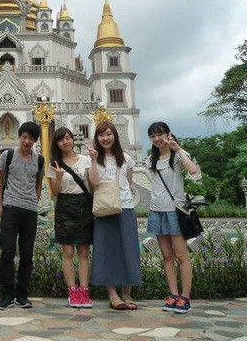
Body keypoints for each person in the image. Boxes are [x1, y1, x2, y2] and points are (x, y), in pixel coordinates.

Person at [145, 121, 198, 314]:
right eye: (153, 136)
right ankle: (173, 294)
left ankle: (185, 296)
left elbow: (192, 170)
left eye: (160, 134)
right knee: (167, 256)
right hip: (157, 209)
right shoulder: (151, 159)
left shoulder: (177, 156)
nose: (157, 139)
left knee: (182, 255)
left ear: (168, 134)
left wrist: (179, 148)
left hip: (175, 210)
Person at [88, 121, 142, 311]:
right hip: (104, 208)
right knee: (106, 250)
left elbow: (128, 182)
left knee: (128, 248)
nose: (105, 138)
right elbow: (94, 182)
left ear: (115, 136)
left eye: (108, 134)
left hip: (125, 207)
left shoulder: (126, 158)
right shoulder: (94, 158)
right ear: (97, 138)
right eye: (101, 135)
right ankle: (112, 294)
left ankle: (127, 293)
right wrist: (94, 160)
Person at [0, 121, 44, 310]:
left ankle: (22, 294)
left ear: (35, 141)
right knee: (7, 252)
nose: (27, 141)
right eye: (24, 137)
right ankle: (6, 295)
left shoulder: (39, 159)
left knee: (26, 254)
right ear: (19, 136)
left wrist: (35, 199)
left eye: (31, 138)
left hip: (29, 211)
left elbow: (39, 182)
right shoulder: (8, 155)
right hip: (10, 208)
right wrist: (0, 203)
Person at [47, 127, 94, 308]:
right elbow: (55, 192)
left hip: (83, 206)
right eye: (61, 139)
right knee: (67, 252)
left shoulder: (86, 160)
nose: (65, 142)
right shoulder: (54, 164)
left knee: (83, 252)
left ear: (73, 139)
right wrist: (58, 177)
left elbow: (92, 185)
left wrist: (96, 161)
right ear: (56, 143)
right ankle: (72, 290)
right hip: (65, 206)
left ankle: (84, 290)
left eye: (68, 138)